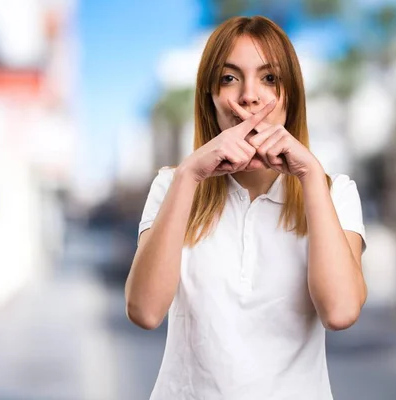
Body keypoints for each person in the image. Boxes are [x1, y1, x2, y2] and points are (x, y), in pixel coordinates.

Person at [125, 15, 367, 400]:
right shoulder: (173, 185)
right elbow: (144, 311)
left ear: (291, 96)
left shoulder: (334, 192)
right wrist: (188, 175)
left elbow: (339, 312)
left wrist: (308, 174)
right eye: (229, 78)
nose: (249, 97)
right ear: (211, 98)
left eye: (269, 78)